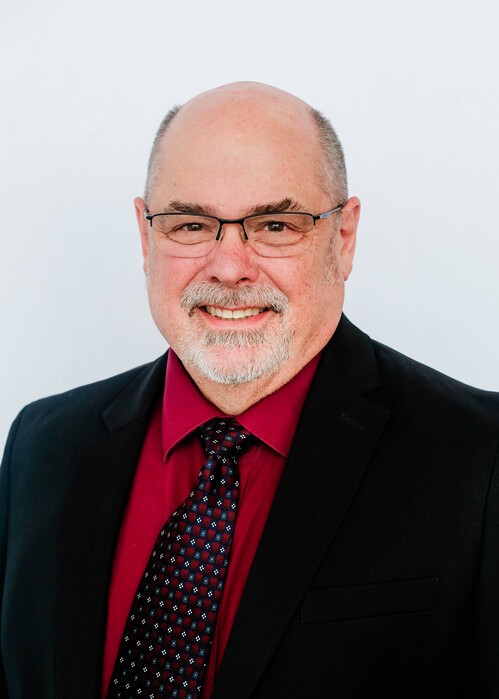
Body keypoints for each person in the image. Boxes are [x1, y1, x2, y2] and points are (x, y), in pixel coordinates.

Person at [1, 81, 499, 699]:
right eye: (190, 224)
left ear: (344, 239)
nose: (230, 267)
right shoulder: (42, 448)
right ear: (146, 237)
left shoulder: (478, 457)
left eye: (275, 225)